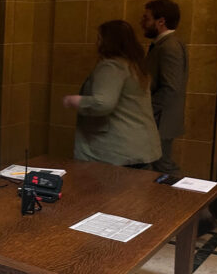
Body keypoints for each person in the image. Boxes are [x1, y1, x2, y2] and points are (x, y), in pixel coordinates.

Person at [63, 20, 161, 167]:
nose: (97, 43)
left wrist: (75, 100)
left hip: (117, 147)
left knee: (105, 189)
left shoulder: (112, 66)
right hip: (140, 145)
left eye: (99, 38)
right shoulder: (136, 66)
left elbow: (104, 103)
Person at [141, 0, 188, 176]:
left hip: (161, 121)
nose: (142, 22)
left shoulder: (169, 47)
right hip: (160, 119)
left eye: (146, 18)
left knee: (164, 166)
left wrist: (146, 110)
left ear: (160, 21)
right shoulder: (164, 45)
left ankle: (184, 201)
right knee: (161, 166)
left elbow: (171, 88)